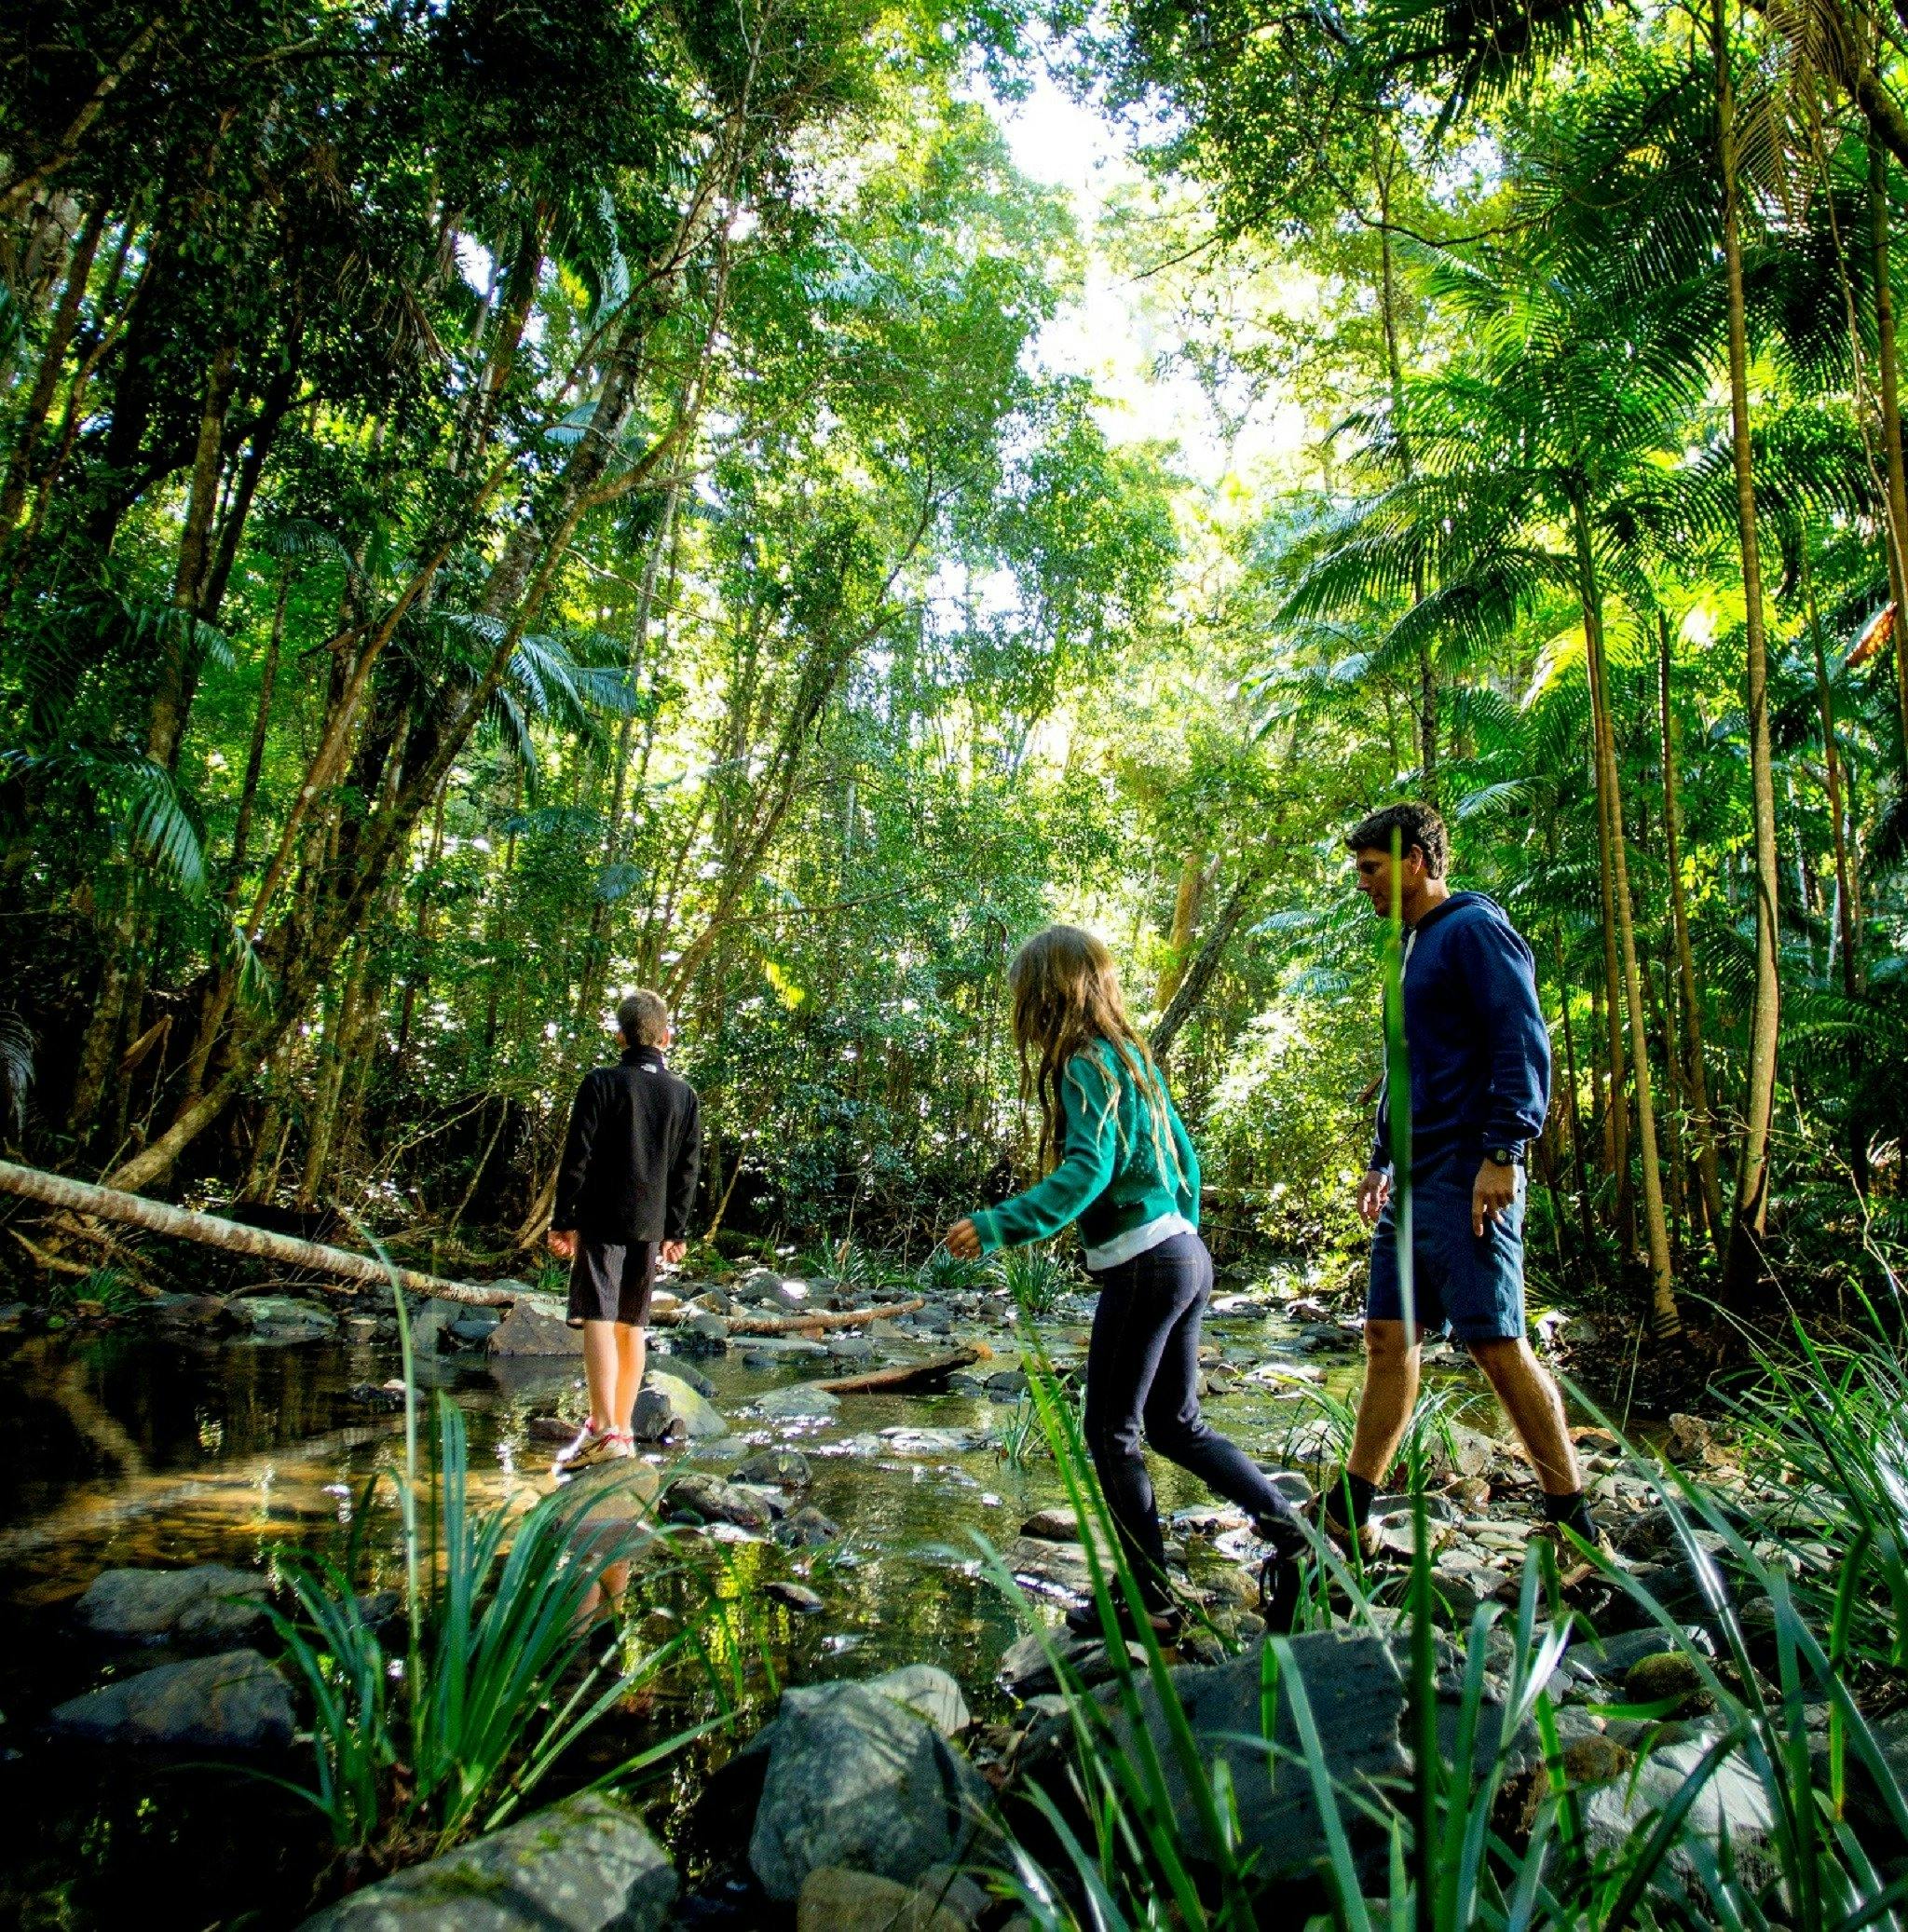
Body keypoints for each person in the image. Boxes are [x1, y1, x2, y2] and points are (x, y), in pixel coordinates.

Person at [945, 924, 1306, 1639]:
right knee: (1174, 1424)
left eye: (1025, 996)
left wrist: (999, 1224)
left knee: (1111, 1432)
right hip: (1183, 1254)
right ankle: (1295, 1540)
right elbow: (1187, 1164)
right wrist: (1183, 1238)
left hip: (1149, 1265)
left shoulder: (1085, 1063)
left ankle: (1150, 1600)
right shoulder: (1132, 1058)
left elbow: (1089, 1169)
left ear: (1048, 995)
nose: (1022, 1011)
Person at [1329, 802, 1604, 1575]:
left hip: (1466, 1170)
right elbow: (1407, 1063)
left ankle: (1576, 1524)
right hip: (1411, 1177)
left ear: (1415, 860)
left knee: (1494, 1340)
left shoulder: (1475, 930)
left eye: (1372, 869)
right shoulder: (1409, 946)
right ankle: (1351, 1514)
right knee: (1388, 1337)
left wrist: (1506, 1150)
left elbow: (1521, 1037)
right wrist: (1380, 1158)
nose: (1363, 884)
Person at [547, 989, 702, 1470]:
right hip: (650, 1223)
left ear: (620, 1037)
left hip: (601, 1217)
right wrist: (676, 1230)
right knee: (632, 1323)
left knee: (597, 1314)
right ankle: (624, 1430)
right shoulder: (683, 1095)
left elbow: (577, 1156)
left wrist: (563, 1219)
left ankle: (603, 1427)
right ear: (666, 1038)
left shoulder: (601, 1082)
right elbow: (687, 1170)